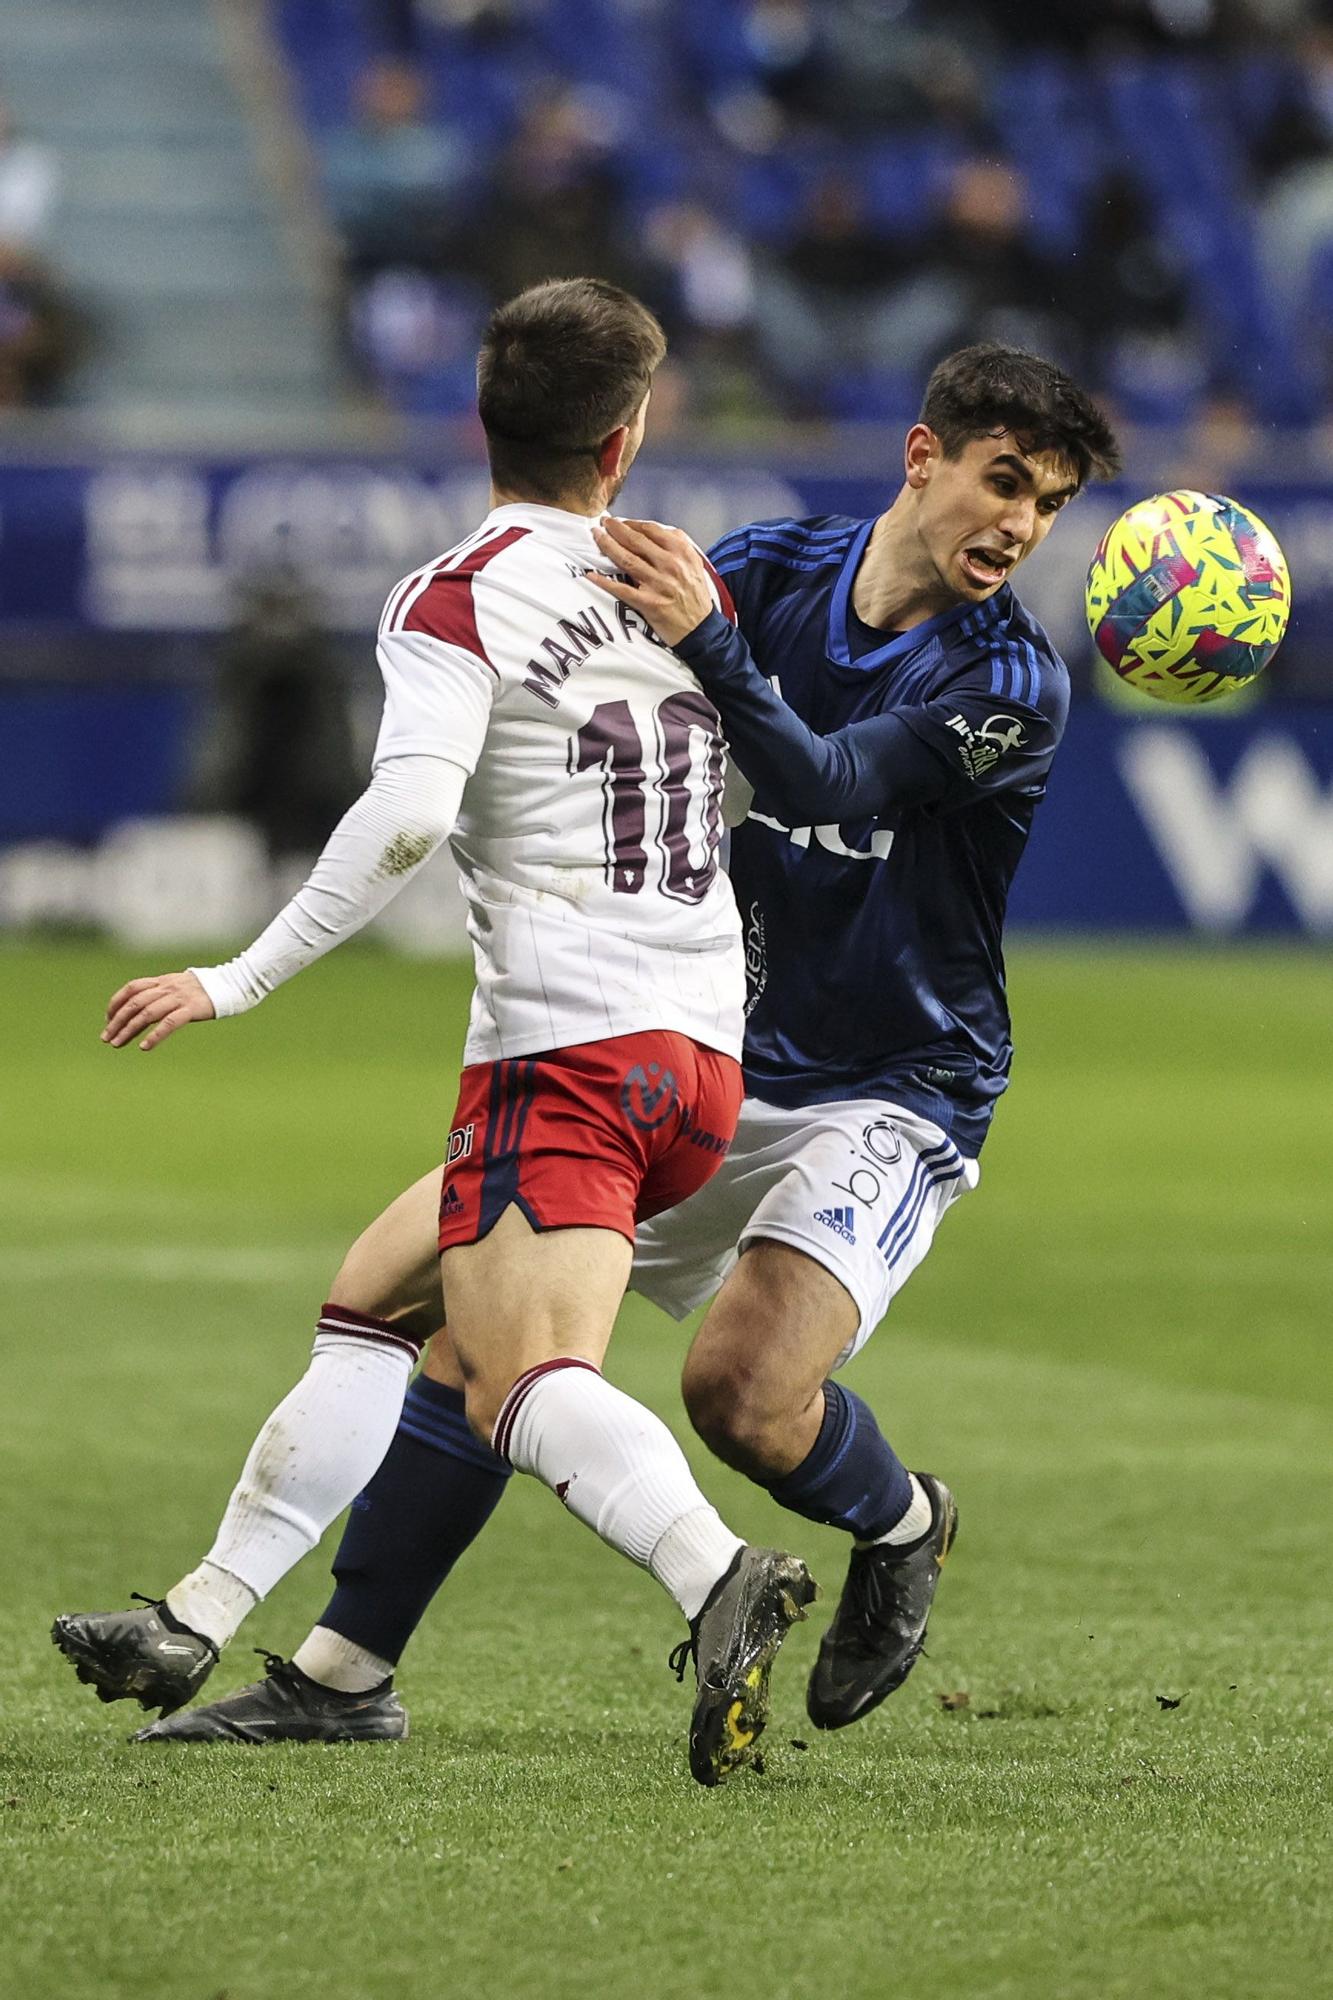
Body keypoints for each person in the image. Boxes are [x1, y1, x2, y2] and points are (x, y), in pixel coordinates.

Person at [75, 343, 1120, 1750]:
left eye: (1049, 504)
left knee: (740, 1396)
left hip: (895, 1082)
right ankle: (340, 1674)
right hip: (701, 1038)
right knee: (461, 1321)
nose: (1020, 524)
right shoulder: (764, 567)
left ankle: (902, 1523)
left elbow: (824, 780)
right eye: (1004, 482)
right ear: (922, 456)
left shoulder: (1011, 683)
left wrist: (711, 650)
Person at [52, 276, 817, 1790]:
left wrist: (239, 976)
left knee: (520, 1383)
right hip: (698, 1062)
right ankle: (203, 1621)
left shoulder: (458, 594)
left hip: (568, 1055)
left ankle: (714, 1571)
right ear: (624, 438)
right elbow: (735, 792)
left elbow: (406, 816)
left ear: (482, 422)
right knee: (374, 1302)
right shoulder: (681, 589)